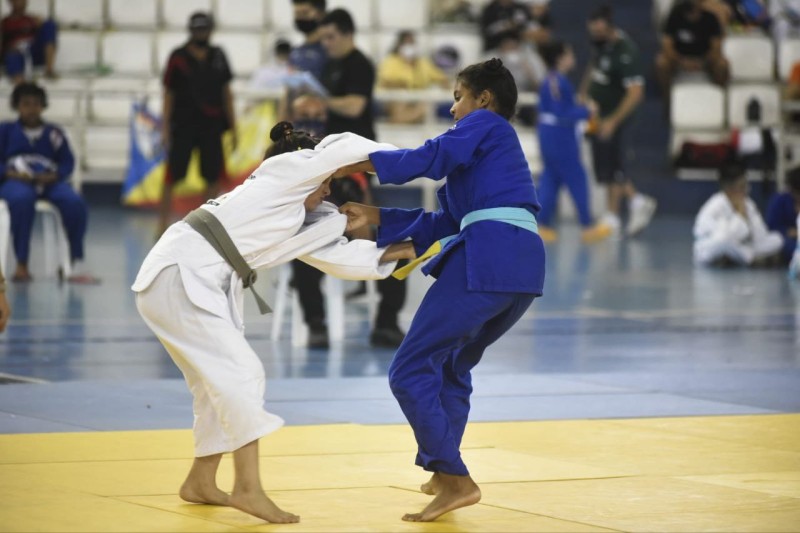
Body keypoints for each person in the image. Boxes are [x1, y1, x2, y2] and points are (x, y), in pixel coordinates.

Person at [132, 121, 415, 524]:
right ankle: (247, 488)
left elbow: (339, 258)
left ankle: (201, 481)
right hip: (182, 273)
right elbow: (342, 149)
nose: (328, 190)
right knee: (241, 373)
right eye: (326, 182)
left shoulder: (296, 213)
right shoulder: (284, 173)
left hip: (189, 277)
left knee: (214, 386)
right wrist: (414, 160)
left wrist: (409, 249)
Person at [336, 58, 545, 522]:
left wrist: (351, 163)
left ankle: (455, 480)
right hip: (522, 267)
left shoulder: (485, 125)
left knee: (409, 369)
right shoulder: (491, 157)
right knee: (452, 364)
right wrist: (376, 217)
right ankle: (443, 467)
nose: (453, 109)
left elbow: (429, 156)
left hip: (488, 259)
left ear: (483, 99)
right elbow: (446, 224)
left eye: (457, 97)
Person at [309, 7, 407, 348]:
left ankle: (386, 322)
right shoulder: (328, 66)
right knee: (304, 238)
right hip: (327, 171)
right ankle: (315, 324)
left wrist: (321, 100)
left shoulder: (359, 65)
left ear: (347, 34)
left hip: (356, 170)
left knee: (393, 238)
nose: (326, 43)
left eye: (331, 37)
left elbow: (353, 107)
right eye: (323, 38)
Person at [0, 82, 97, 283]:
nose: (31, 109)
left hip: (49, 181)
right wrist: (10, 173)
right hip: (15, 181)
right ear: (17, 106)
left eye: (36, 104)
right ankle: (21, 264)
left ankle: (72, 261)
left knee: (74, 202)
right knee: (21, 200)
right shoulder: (5, 131)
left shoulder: (54, 133)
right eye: (26, 104)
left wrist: (55, 175)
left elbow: (67, 162)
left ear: (43, 106)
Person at [580, 4, 657, 237]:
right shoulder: (601, 46)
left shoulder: (626, 52)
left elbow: (636, 93)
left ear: (610, 28)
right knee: (607, 167)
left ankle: (637, 201)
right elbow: (593, 68)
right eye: (593, 32)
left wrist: (613, 121)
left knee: (617, 166)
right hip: (599, 116)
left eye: (600, 32)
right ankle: (613, 215)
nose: (596, 36)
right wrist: (584, 93)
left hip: (618, 119)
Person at [159, 12, 236, 236]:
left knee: (212, 176)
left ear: (210, 30)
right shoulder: (178, 57)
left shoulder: (219, 55)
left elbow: (226, 92)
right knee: (172, 176)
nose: (201, 33)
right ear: (191, 30)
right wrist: (164, 127)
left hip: (211, 125)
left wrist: (234, 127)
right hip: (183, 125)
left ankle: (204, 225)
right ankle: (162, 225)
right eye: (198, 29)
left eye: (205, 29)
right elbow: (169, 93)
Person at [535, 40, 611, 244]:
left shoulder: (554, 80)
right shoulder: (557, 82)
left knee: (551, 178)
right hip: (559, 136)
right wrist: (587, 111)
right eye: (569, 54)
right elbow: (561, 112)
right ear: (560, 58)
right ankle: (587, 225)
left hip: (550, 135)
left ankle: (542, 224)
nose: (572, 58)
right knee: (577, 177)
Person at [693, 161, 782, 267]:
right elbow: (726, 237)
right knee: (724, 242)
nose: (746, 190)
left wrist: (746, 217)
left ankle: (732, 258)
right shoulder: (715, 206)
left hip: (742, 245)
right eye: (742, 186)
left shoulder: (748, 204)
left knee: (777, 239)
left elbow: (761, 235)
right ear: (729, 188)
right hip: (713, 247)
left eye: (746, 185)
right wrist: (740, 215)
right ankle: (751, 259)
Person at [655, 0, 730, 101]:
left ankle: (719, 98)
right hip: (679, 59)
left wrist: (702, 62)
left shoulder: (711, 18)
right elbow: (667, 46)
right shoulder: (674, 17)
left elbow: (716, 48)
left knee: (722, 65)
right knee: (661, 63)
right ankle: (668, 98)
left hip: (705, 59)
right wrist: (682, 62)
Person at [377, 30, 449, 124]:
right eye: (406, 43)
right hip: (395, 99)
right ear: (399, 45)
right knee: (401, 104)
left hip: (418, 99)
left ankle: (399, 121)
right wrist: (401, 85)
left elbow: (442, 78)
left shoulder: (423, 62)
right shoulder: (390, 61)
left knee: (426, 106)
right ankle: (401, 120)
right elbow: (386, 82)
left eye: (411, 43)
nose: (409, 46)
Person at [1, 0, 57, 84]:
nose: (20, 2)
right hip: (16, 55)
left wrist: (40, 25)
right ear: (11, 2)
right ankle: (21, 85)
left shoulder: (32, 20)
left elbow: (44, 36)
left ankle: (49, 70)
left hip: (32, 52)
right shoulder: (5, 23)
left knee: (49, 24)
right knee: (12, 56)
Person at [766, 166, 800, 264]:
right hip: (788, 240)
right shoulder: (780, 201)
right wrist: (790, 232)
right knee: (783, 243)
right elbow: (772, 226)